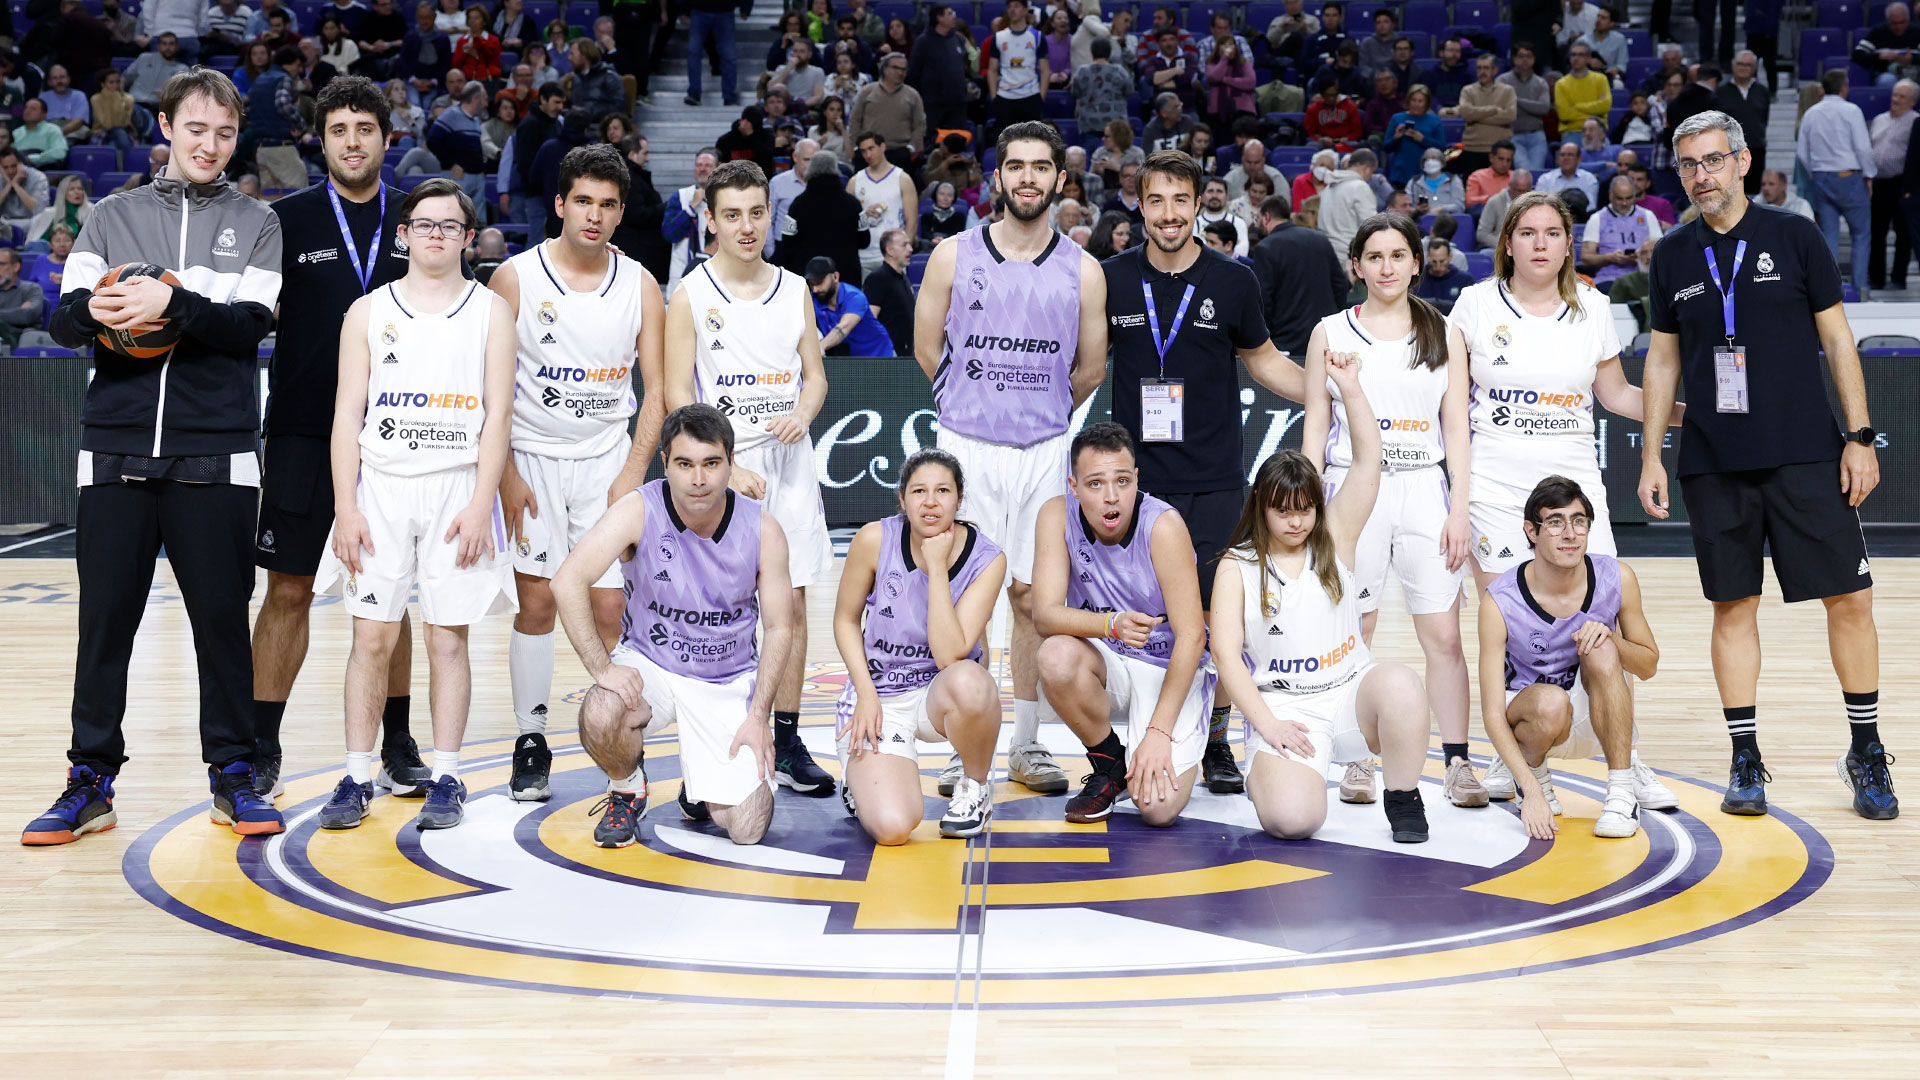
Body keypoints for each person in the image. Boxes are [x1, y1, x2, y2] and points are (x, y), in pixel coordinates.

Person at [25, 69, 286, 847]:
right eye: (196, 128)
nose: (210, 145)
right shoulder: (110, 215)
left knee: (219, 628)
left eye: (225, 132)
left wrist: (172, 304)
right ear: (166, 127)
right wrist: (99, 308)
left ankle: (233, 774)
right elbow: (67, 320)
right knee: (105, 627)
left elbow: (249, 327)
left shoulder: (258, 222)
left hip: (218, 456)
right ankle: (90, 780)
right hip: (115, 448)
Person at [1639, 110, 1898, 821]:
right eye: (1689, 164)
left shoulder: (1795, 235)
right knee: (1733, 607)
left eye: (1714, 161)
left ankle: (1867, 749)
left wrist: (1860, 435)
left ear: (1743, 162)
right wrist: (1653, 455)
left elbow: (1840, 342)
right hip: (1715, 463)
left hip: (1808, 455)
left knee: (1851, 601)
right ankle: (1745, 756)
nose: (1702, 176)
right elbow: (1662, 361)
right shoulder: (1671, 255)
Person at [306, 177, 516, 832]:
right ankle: (357, 774)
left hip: (458, 488)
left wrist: (484, 502)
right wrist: (346, 505)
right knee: (371, 637)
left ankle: (448, 775)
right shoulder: (369, 311)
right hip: (383, 490)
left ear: (466, 236)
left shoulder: (490, 312)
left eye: (449, 225)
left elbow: (500, 416)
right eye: (423, 224)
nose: (435, 234)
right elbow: (345, 415)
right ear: (402, 234)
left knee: (447, 639)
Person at [246, 77, 434, 800]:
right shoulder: (284, 219)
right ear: (319, 141)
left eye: (365, 127)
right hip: (301, 430)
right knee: (287, 588)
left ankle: (398, 742)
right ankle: (262, 745)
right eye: (339, 130)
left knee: (389, 595)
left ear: (388, 136)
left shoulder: (421, 218)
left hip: (401, 436)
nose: (352, 141)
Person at [914, 121, 1110, 797]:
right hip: (967, 445)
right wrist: (977, 401)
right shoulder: (951, 256)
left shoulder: (1084, 270)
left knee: (1032, 598)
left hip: (1044, 450)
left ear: (1061, 179)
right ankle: (961, 739)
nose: (1028, 178)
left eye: (1041, 167)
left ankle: (1026, 744)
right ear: (997, 179)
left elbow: (1088, 370)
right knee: (962, 595)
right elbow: (925, 348)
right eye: (1016, 167)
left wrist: (1037, 405)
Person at [1101, 151, 1307, 794]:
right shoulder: (1109, 279)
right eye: (1155, 201)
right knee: (1151, 612)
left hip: (1217, 479)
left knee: (1223, 617)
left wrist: (1334, 395)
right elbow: (1084, 368)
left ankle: (1216, 737)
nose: (1168, 214)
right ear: (1140, 206)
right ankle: (1146, 727)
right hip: (1139, 488)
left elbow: (1267, 362)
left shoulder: (1233, 281)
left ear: (1199, 205)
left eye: (1179, 201)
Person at [487, 144, 665, 802]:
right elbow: (490, 389)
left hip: (605, 462)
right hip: (532, 457)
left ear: (621, 214)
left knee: (610, 608)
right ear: (559, 205)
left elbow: (660, 391)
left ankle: (611, 731)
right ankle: (531, 737)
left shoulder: (641, 285)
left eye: (608, 204)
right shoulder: (514, 278)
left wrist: (632, 473)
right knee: (536, 602)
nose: (594, 215)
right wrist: (504, 473)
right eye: (583, 201)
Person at [666, 160, 839, 798]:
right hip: (721, 473)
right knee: (720, 610)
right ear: (709, 219)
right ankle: (715, 744)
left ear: (772, 215)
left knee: (790, 602)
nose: (746, 226)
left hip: (789, 465)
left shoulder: (794, 287)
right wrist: (726, 466)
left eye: (756, 213)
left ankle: (786, 736)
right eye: (731, 214)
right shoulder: (690, 294)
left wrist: (803, 411)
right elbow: (679, 395)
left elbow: (814, 374)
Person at [1302, 212, 1485, 808]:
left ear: (1416, 262)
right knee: (1354, 630)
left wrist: (1459, 509)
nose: (1387, 266)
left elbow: (1456, 426)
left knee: (1444, 636)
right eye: (1374, 256)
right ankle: (1357, 759)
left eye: (1398, 255)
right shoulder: (1331, 331)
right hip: (1351, 494)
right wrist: (1309, 508)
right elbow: (1315, 429)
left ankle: (1457, 763)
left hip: (1422, 492)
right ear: (1356, 265)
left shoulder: (1443, 331)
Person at [1210, 362, 1434, 844]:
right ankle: (1266, 775)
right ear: (1261, 508)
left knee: (1402, 684)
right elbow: (1226, 657)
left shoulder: (1335, 535)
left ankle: (1402, 795)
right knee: (1294, 822)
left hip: (1349, 693)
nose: (1296, 522)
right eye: (1282, 511)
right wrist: (1267, 725)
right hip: (1287, 706)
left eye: (1305, 510)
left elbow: (1368, 460)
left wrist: (1350, 388)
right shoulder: (1238, 565)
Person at [557, 404, 796, 847]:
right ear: (665, 462)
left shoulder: (763, 530)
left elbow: (781, 628)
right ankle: (627, 788)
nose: (698, 479)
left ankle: (700, 788)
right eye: (684, 464)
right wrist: (602, 668)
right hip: (654, 664)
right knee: (602, 709)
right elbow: (568, 579)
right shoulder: (638, 509)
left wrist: (760, 715)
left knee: (747, 829)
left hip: (727, 678)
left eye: (711, 464)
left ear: (730, 462)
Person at [1450, 191, 1679, 584]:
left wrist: (1696, 416)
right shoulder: (1475, 303)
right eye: (1527, 233)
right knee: (1508, 620)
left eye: (1553, 233)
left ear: (1569, 243)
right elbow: (1452, 413)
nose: (1540, 244)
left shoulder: (1594, 306)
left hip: (1576, 485)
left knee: (1594, 619)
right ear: (1508, 243)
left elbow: (1618, 395)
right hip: (1494, 486)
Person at [1478, 476, 1679, 840]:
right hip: (1535, 717)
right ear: (1532, 531)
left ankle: (1622, 790)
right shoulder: (1499, 600)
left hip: (1598, 715)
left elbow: (1648, 665)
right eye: (1555, 522)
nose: (1570, 533)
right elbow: (1492, 712)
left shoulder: (1617, 576)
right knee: (1550, 701)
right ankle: (1529, 771)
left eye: (1579, 521)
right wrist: (1532, 793)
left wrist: (1613, 640)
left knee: (1602, 646)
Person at [1031, 422, 1213, 824]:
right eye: (1095, 484)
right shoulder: (1056, 515)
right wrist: (1111, 625)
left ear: (1137, 480)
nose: (1111, 497)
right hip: (1106, 661)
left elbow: (1191, 636)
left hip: (1167, 669)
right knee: (1055, 655)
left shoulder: (1163, 526)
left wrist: (1158, 734)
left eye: (1122, 481)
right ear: (1074, 486)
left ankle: (1191, 740)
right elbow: (1043, 614)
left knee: (1158, 811)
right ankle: (1109, 763)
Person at [833, 448, 1008, 841]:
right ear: (902, 498)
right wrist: (865, 694)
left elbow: (949, 654)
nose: (930, 502)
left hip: (941, 692)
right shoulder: (874, 538)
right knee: (893, 827)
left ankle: (974, 788)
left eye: (943, 491)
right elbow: (845, 620)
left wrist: (938, 568)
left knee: (971, 680)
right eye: (919, 491)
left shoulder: (988, 559)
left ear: (959, 500)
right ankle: (862, 782)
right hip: (881, 696)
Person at [1798, 70, 1878, 298]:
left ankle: (1831, 292)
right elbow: (1863, 148)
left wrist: (1816, 174)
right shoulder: (1852, 110)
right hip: (1848, 176)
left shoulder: (1811, 113)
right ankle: (1861, 289)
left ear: (1823, 89)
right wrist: (1869, 175)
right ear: (1845, 87)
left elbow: (1802, 153)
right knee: (1861, 235)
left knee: (1829, 235)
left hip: (1822, 177)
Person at [1252, 193, 1348, 355]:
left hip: (1286, 341)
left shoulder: (1265, 248)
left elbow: (1263, 301)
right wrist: (1333, 323)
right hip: (1327, 338)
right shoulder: (1320, 239)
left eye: (1258, 218)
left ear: (1266, 217)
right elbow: (1340, 285)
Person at [1870, 80, 1918, 290]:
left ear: (1913, 101)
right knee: (1876, 232)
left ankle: (1899, 278)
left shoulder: (1916, 121)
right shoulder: (1879, 119)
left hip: (1902, 184)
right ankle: (1876, 278)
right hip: (1878, 183)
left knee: (1903, 234)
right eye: (1894, 94)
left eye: (1901, 96)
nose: (1895, 99)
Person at [848, 130, 915, 278]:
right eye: (863, 151)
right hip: (864, 254)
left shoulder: (902, 178)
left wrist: (904, 252)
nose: (868, 155)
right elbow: (847, 221)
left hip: (893, 256)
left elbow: (911, 221)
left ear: (882, 147)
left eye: (871, 148)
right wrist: (864, 215)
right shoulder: (855, 181)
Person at [1581, 173, 1663, 292]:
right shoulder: (1597, 219)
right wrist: (1609, 257)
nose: (1624, 203)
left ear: (1635, 195)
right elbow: (1585, 259)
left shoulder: (1647, 216)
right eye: (1619, 198)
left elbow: (1661, 252)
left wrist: (1641, 256)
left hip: (1641, 277)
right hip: (1609, 279)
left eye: (1629, 198)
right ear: (1610, 195)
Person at [807, 254, 894, 356]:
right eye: (811, 284)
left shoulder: (855, 297)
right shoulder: (814, 299)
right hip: (854, 359)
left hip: (881, 355)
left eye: (819, 282)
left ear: (835, 277)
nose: (815, 289)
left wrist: (821, 346)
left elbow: (844, 327)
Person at [987, 0, 1048, 145]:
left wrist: (1041, 97)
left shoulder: (1037, 36)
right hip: (1005, 97)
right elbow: (992, 70)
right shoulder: (999, 37)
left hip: (1030, 96)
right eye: (1009, 7)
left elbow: (1045, 70)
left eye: (1016, 6)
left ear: (1026, 10)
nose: (1012, 10)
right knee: (1005, 145)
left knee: (1032, 144)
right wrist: (994, 96)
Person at [907, 4, 971, 140]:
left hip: (958, 104)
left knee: (957, 143)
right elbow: (914, 73)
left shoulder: (958, 39)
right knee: (934, 144)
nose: (954, 16)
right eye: (950, 13)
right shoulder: (923, 42)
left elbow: (963, 66)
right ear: (939, 18)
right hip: (934, 105)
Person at [1447, 53, 1516, 178]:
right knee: (1442, 158)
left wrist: (1476, 115)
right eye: (1479, 68)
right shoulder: (1467, 90)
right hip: (1471, 148)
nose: (1482, 72)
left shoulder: (1507, 91)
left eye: (1486, 68)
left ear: (1495, 70)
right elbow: (1467, 115)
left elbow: (1510, 116)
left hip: (1499, 149)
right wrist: (1493, 109)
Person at [850, 53, 924, 158]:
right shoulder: (867, 91)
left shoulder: (913, 95)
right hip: (868, 151)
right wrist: (855, 146)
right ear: (884, 69)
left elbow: (920, 124)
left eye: (903, 69)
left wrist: (911, 147)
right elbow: (855, 120)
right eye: (895, 68)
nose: (900, 72)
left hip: (900, 152)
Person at [1498, 41, 1553, 172]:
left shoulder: (1541, 83)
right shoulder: (1503, 81)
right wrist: (1532, 107)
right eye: (1521, 56)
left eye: (1528, 56)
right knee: (1524, 171)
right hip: (1513, 135)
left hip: (1537, 135)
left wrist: (1516, 100)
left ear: (1534, 59)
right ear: (1514, 59)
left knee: (1536, 173)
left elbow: (1544, 108)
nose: (1525, 60)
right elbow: (1503, 109)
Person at [1318, 147, 1378, 259]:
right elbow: (1370, 226)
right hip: (1348, 256)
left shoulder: (1328, 187)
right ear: (1366, 168)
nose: (1370, 178)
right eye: (1372, 172)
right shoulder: (1360, 187)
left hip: (1325, 253)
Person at [863, 227, 916, 355]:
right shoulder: (877, 278)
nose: (910, 249)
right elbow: (870, 320)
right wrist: (886, 349)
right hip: (889, 355)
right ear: (890, 250)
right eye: (904, 245)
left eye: (909, 244)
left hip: (907, 352)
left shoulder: (902, 277)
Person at [1553, 42, 1610, 138]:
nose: (1576, 58)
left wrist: (1577, 106)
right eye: (1573, 55)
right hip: (1572, 132)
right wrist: (1596, 115)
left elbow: (1604, 106)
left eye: (1580, 55)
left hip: (1597, 132)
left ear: (1588, 58)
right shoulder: (1560, 84)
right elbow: (1564, 115)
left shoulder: (1601, 79)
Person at [0, 248, 45, 348]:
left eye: (1, 264)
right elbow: (20, 314)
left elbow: (27, 316)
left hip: (21, 340)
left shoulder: (31, 289)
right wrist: (18, 311)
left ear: (16, 266)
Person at [1537, 140, 1598, 208]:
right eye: (1562, 155)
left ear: (1579, 159)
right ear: (1558, 159)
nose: (1566, 158)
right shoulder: (1545, 179)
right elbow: (1539, 206)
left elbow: (1591, 207)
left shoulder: (1589, 179)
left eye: (1570, 155)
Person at [1416, 236, 1470, 312]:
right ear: (1428, 257)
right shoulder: (1416, 280)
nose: (1438, 267)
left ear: (1450, 257)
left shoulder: (1465, 280)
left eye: (1442, 261)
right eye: (1434, 262)